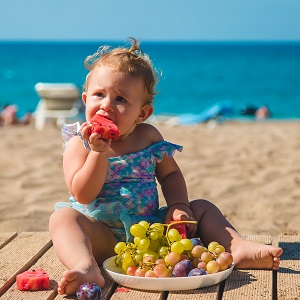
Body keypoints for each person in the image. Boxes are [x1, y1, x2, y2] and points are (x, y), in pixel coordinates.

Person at [49, 38, 282, 296]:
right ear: (85, 99)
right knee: (63, 218)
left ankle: (237, 246)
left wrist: (178, 205)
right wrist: (98, 153)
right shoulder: (79, 144)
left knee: (202, 207)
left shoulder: (148, 137)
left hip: (153, 231)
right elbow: (83, 194)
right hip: (102, 236)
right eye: (99, 95)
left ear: (142, 114)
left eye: (121, 99)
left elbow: (170, 174)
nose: (106, 105)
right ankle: (85, 265)